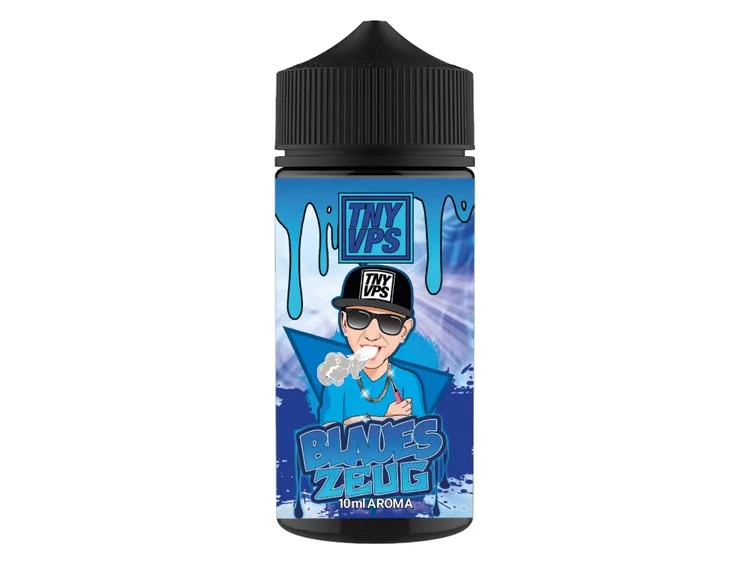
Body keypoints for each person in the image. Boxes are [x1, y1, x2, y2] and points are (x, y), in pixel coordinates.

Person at [319, 265, 426, 425]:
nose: (372, 335)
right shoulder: (338, 379)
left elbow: (421, 432)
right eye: (359, 318)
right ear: (344, 322)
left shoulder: (407, 381)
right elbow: (328, 431)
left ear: (404, 330)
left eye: (389, 322)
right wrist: (385, 418)